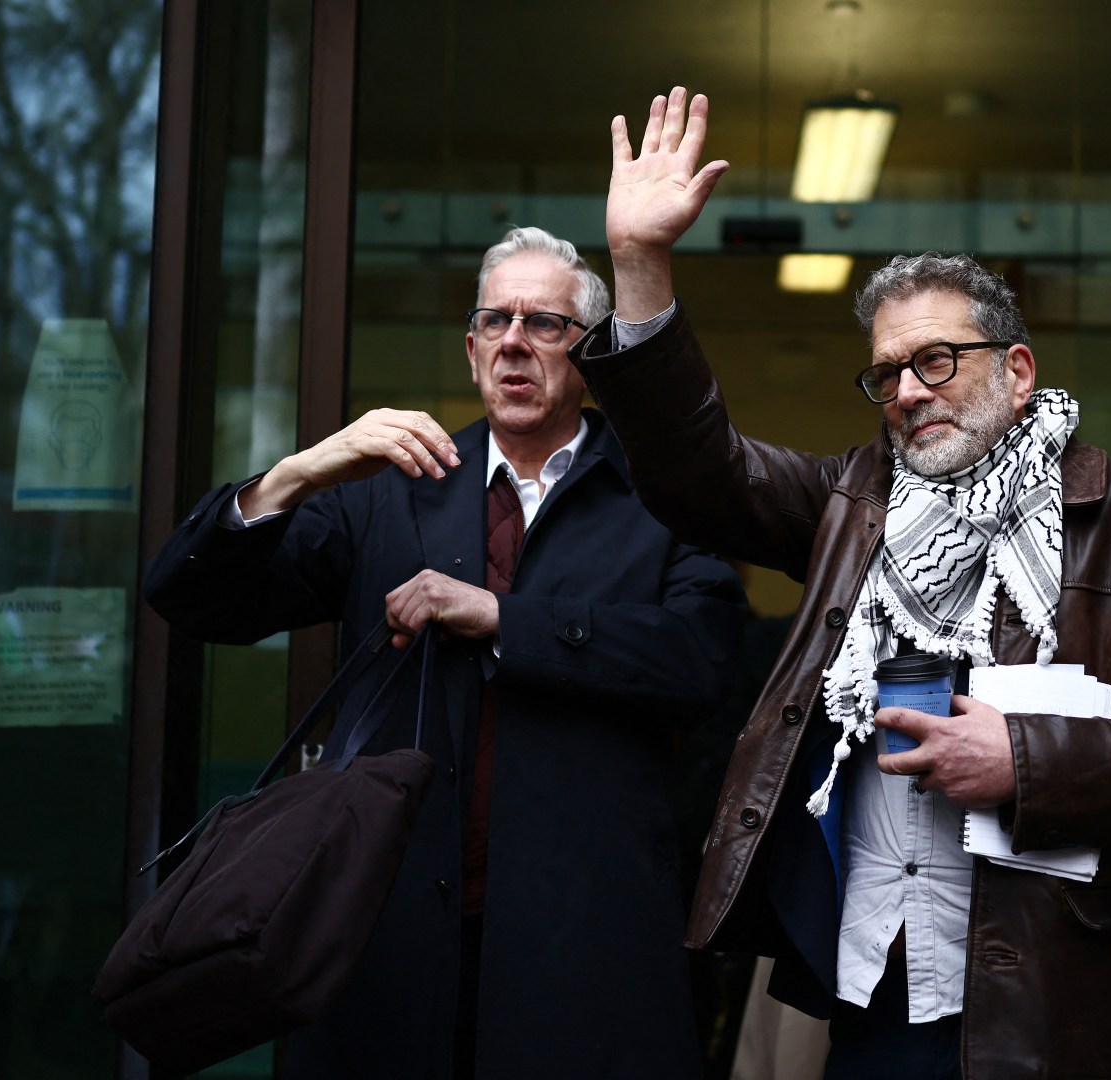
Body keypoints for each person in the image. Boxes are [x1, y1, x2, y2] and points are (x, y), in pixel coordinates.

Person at [570, 88, 1111, 1079]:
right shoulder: (853, 502)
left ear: (1017, 370)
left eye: (935, 361)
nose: (905, 391)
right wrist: (640, 265)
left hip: (1052, 996)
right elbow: (700, 471)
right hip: (876, 974)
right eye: (886, 373)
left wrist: (1024, 758)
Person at [143, 226, 746, 1079]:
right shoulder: (391, 492)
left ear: (589, 356)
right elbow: (191, 597)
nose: (513, 341)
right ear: (471, 352)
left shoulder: (659, 497)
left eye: (544, 324)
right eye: (495, 321)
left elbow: (704, 662)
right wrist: (295, 475)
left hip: (583, 950)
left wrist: (506, 619)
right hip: (388, 947)